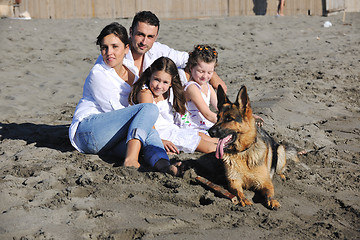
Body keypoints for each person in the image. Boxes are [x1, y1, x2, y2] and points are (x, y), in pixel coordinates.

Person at [69, 22, 181, 176]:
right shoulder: (98, 74)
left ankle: (163, 164)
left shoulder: (132, 71)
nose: (109, 52)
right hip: (88, 132)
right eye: (104, 47)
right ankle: (130, 160)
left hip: (111, 137)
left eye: (115, 46)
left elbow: (136, 118)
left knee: (143, 144)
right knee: (148, 110)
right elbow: (120, 111)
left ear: (126, 48)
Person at [95, 11, 227, 92]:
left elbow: (189, 58)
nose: (144, 42)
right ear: (131, 32)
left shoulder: (158, 49)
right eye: (140, 34)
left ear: (156, 37)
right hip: (124, 109)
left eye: (150, 37)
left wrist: (213, 75)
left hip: (155, 104)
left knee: (185, 73)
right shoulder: (113, 56)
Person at [129, 57, 218, 154]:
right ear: (150, 75)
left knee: (205, 137)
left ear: (171, 82)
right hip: (161, 135)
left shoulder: (167, 91)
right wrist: (160, 141)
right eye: (156, 80)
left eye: (165, 82)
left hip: (173, 129)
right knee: (209, 147)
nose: (159, 86)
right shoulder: (145, 93)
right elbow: (147, 121)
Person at [181, 44, 218, 131]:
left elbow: (221, 106)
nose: (205, 76)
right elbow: (207, 114)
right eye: (201, 71)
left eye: (209, 72)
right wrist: (229, 122)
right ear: (191, 67)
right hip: (191, 127)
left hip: (204, 124)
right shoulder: (191, 87)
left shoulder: (209, 87)